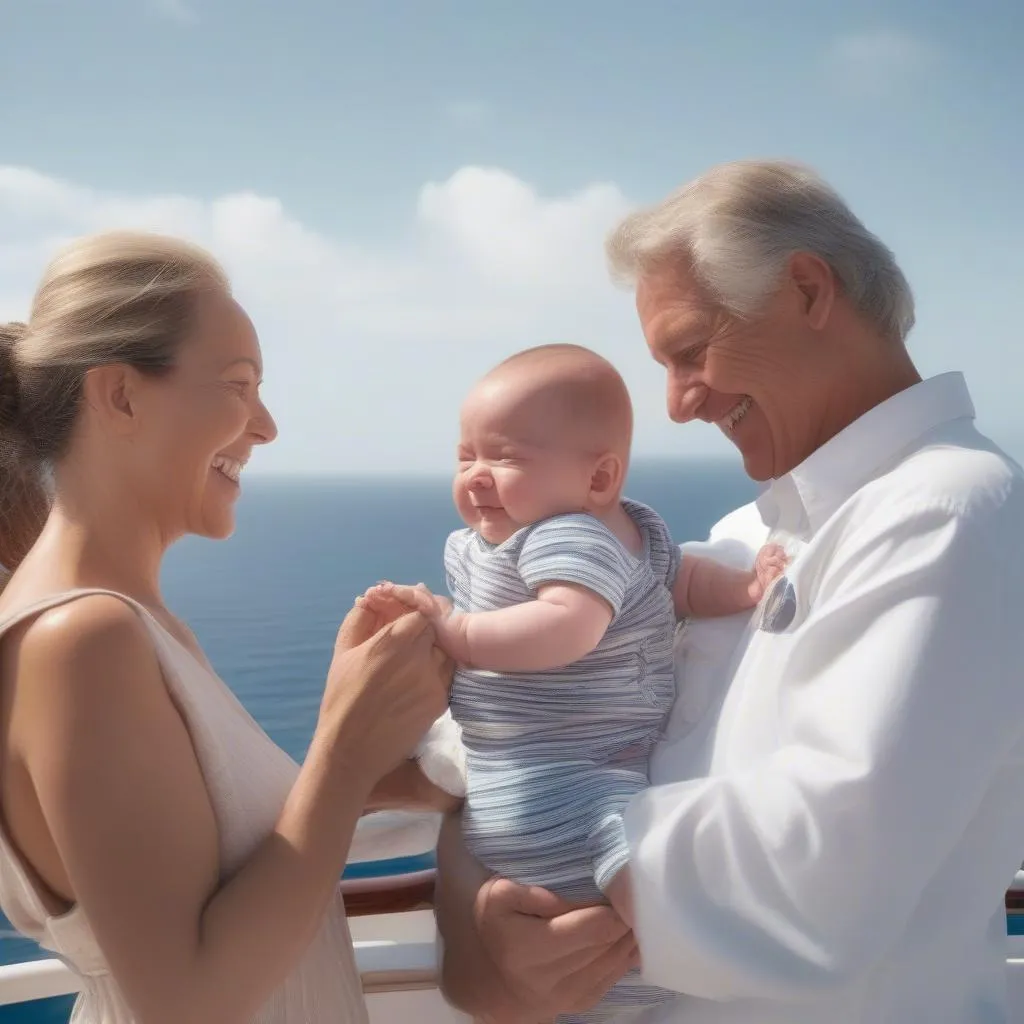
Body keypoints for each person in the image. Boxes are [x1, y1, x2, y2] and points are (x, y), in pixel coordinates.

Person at [431, 159, 1024, 1023]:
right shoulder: (750, 545)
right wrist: (484, 916)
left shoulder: (947, 511)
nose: (675, 405)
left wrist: (541, 844)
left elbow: (816, 879)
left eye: (689, 350)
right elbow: (551, 714)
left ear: (808, 291)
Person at [0, 231, 454, 1024]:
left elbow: (209, 864)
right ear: (120, 396)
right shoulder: (82, 640)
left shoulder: (128, 625)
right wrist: (343, 755)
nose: (267, 425)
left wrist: (377, 767)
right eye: (240, 385)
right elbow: (188, 1002)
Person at [363, 342, 785, 1022]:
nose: (476, 475)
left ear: (599, 479)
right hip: (534, 785)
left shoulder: (567, 539)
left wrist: (455, 632)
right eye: (465, 454)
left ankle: (674, 950)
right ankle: (676, 951)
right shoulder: (534, 542)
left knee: (625, 864)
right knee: (622, 873)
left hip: (573, 781)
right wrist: (736, 587)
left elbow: (570, 626)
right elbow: (677, 583)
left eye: (505, 458)